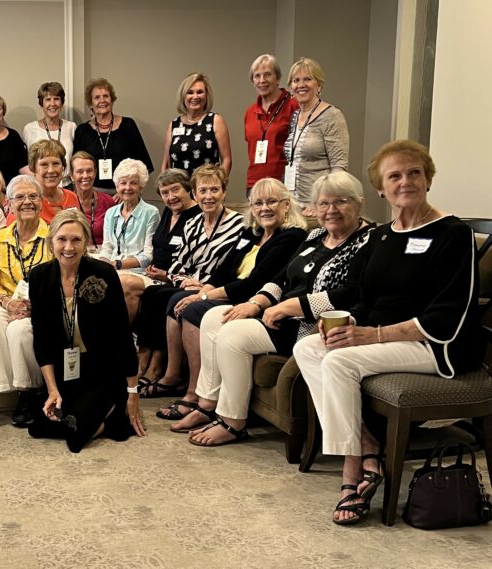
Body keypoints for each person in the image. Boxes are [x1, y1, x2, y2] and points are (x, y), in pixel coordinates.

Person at [294, 140, 481, 525]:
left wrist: (372, 335)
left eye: (414, 173)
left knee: (339, 362)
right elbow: (365, 298)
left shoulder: (452, 233)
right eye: (394, 176)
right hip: (385, 337)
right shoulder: (380, 236)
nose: (405, 181)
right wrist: (349, 323)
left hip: (435, 346)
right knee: (310, 347)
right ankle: (368, 444)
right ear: (381, 187)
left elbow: (448, 316)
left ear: (428, 180)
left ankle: (353, 471)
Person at [174, 171, 374, 442]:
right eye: (324, 203)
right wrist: (257, 302)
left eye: (340, 201)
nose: (331, 210)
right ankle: (208, 403)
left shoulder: (367, 240)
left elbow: (351, 293)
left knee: (232, 335)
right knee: (214, 317)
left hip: (311, 325)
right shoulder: (316, 235)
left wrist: (290, 307)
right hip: (281, 315)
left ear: (359, 203)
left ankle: (233, 422)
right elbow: (281, 278)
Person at [154, 178, 307, 424]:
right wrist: (204, 289)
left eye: (271, 202)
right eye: (258, 203)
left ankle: (194, 393)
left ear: (286, 205)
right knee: (177, 300)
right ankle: (183, 384)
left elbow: (255, 282)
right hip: (233, 291)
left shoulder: (291, 236)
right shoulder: (253, 231)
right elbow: (226, 268)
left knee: (194, 309)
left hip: (251, 298)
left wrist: (205, 296)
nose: (264, 208)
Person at [27, 210, 146, 452]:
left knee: (76, 438)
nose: (68, 247)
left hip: (103, 370)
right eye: (62, 239)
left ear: (86, 243)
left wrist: (133, 392)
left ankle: (111, 411)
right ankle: (110, 421)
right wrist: (52, 390)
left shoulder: (103, 273)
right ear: (51, 242)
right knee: (37, 425)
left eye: (76, 240)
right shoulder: (39, 276)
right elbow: (42, 339)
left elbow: (122, 335)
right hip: (67, 369)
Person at [134, 163, 243, 394]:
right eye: (203, 191)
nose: (208, 196)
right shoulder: (193, 223)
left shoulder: (239, 225)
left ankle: (167, 372)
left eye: (214, 190)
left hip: (214, 286)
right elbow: (177, 262)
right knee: (153, 293)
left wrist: (203, 285)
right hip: (188, 282)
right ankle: (148, 362)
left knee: (167, 297)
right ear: (195, 193)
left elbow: (230, 268)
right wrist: (183, 279)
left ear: (224, 191)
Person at [0, 175, 50, 426]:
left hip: (43, 306)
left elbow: (62, 279)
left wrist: (34, 305)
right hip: (7, 301)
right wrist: (7, 302)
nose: (27, 202)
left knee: (19, 329)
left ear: (41, 202)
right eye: (20, 197)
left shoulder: (54, 237)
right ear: (8, 204)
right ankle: (17, 387)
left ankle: (29, 393)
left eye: (33, 196)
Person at [97, 158, 161, 320]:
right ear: (117, 186)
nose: (127, 187)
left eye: (133, 183)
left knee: (118, 283)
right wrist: (103, 265)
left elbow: (148, 256)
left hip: (138, 273)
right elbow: (107, 247)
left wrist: (118, 264)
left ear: (141, 187)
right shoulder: (111, 213)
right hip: (113, 269)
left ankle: (123, 332)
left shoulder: (151, 212)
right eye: (123, 183)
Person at [283, 58, 349, 214]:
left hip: (318, 207)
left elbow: (339, 168)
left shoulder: (332, 116)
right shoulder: (295, 117)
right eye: (296, 80)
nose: (301, 85)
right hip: (293, 205)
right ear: (291, 88)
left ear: (319, 85)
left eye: (308, 79)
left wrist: (322, 201)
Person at [72, 78, 154, 192]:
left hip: (125, 193)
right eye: (97, 97)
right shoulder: (82, 131)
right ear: (91, 103)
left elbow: (142, 164)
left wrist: (125, 190)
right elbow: (76, 166)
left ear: (112, 100)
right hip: (91, 193)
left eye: (106, 96)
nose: (102, 100)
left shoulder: (128, 125)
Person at [244, 54, 298, 193]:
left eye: (267, 74)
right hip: (254, 184)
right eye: (257, 76)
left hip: (283, 183)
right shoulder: (250, 112)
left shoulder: (294, 106)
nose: (262, 80)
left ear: (278, 78)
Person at [162, 72, 232, 176]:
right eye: (190, 92)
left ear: (206, 95)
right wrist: (164, 184)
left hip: (206, 184)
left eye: (200, 92)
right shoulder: (174, 124)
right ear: (183, 96)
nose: (195, 96)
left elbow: (227, 160)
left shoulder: (215, 120)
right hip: (178, 185)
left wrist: (219, 183)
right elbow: (166, 163)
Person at [22, 82, 77, 178]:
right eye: (48, 99)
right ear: (41, 103)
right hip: (39, 183)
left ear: (62, 103)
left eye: (56, 99)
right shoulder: (29, 129)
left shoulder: (71, 127)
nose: (52, 104)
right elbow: (25, 162)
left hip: (66, 183)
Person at [27, 139, 80, 223]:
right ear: (33, 168)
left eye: (56, 163)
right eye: (44, 164)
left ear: (63, 167)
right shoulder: (26, 202)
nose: (51, 170)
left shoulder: (71, 197)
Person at [71, 151, 116, 248]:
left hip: (104, 252)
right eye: (80, 171)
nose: (85, 176)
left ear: (95, 173)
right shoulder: (66, 202)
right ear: (71, 176)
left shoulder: (108, 202)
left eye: (89, 171)